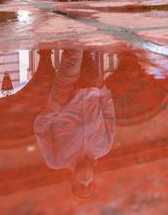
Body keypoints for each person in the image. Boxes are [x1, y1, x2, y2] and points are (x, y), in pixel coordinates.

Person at [34, 50, 115, 198]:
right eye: (89, 184)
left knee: (73, 54)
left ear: (72, 180)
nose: (85, 181)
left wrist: (56, 106)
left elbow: (40, 129)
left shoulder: (56, 160)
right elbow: (109, 116)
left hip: (66, 91)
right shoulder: (103, 148)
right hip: (92, 86)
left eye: (81, 185)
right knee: (86, 50)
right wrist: (103, 91)